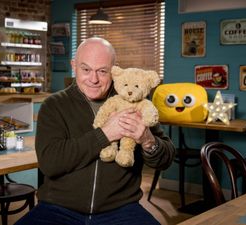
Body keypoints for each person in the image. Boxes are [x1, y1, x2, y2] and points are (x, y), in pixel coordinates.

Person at [15, 37, 175, 225]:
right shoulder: (54, 105)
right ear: (74, 66)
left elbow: (166, 158)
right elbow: (50, 163)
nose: (94, 79)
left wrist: (147, 140)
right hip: (57, 208)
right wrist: (105, 134)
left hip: (122, 209)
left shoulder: (136, 103)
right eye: (86, 69)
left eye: (102, 71)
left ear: (114, 71)